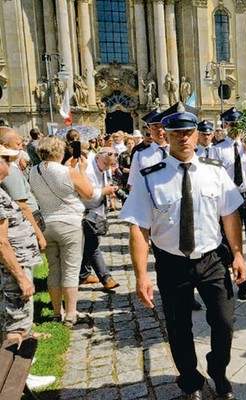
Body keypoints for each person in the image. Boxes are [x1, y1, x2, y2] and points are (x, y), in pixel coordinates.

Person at [120, 103, 246, 400]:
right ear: (166, 134)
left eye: (189, 132)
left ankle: (219, 370)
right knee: (178, 328)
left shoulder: (214, 173)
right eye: (178, 133)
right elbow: (139, 229)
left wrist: (239, 254)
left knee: (225, 322)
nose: (184, 138)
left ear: (196, 134)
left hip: (212, 259)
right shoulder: (150, 177)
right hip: (172, 262)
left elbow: (230, 216)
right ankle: (190, 379)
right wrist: (141, 276)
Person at [0, 144, 56, 391]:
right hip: (14, 270)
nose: (9, 164)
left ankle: (18, 375)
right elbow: (1, 242)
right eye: (5, 159)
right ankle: (17, 381)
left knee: (13, 320)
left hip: (17, 265)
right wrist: (21, 278)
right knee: (16, 325)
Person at [29, 137, 93, 327]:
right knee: (71, 269)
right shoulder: (69, 171)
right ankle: (71, 314)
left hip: (46, 223)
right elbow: (88, 193)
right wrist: (81, 171)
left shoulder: (33, 171)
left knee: (54, 269)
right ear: (60, 152)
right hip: (69, 222)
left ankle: (57, 312)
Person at [211, 107, 246, 301]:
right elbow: (215, 177)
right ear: (225, 125)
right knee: (234, 245)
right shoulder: (217, 149)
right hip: (228, 199)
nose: (235, 128)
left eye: (238, 124)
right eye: (231, 124)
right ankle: (241, 285)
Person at [78, 147, 121, 293]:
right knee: (93, 244)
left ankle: (83, 275)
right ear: (97, 158)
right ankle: (106, 278)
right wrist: (104, 192)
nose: (108, 167)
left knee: (88, 245)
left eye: (111, 164)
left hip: (98, 210)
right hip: (87, 210)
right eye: (106, 164)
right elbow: (86, 194)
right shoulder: (87, 171)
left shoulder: (105, 168)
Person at [0, 128, 47, 252]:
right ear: (5, 145)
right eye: (18, 144)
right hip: (22, 227)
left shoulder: (9, 166)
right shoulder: (8, 170)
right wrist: (39, 235)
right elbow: (22, 205)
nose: (21, 148)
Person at [127, 106, 174, 188]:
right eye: (155, 126)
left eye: (162, 126)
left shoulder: (177, 151)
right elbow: (133, 184)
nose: (159, 130)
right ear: (149, 129)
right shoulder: (140, 155)